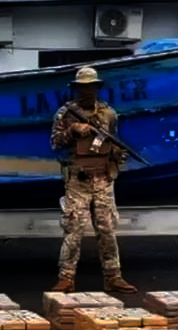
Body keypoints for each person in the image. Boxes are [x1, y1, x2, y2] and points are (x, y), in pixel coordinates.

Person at [49, 66, 137, 294]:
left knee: (107, 229)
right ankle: (66, 277)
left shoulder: (109, 114)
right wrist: (72, 131)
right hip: (78, 179)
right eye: (83, 88)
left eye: (91, 87)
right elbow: (55, 144)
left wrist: (117, 156)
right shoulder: (65, 114)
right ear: (76, 89)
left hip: (103, 179)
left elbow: (115, 142)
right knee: (74, 230)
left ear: (97, 88)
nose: (87, 92)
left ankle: (113, 276)